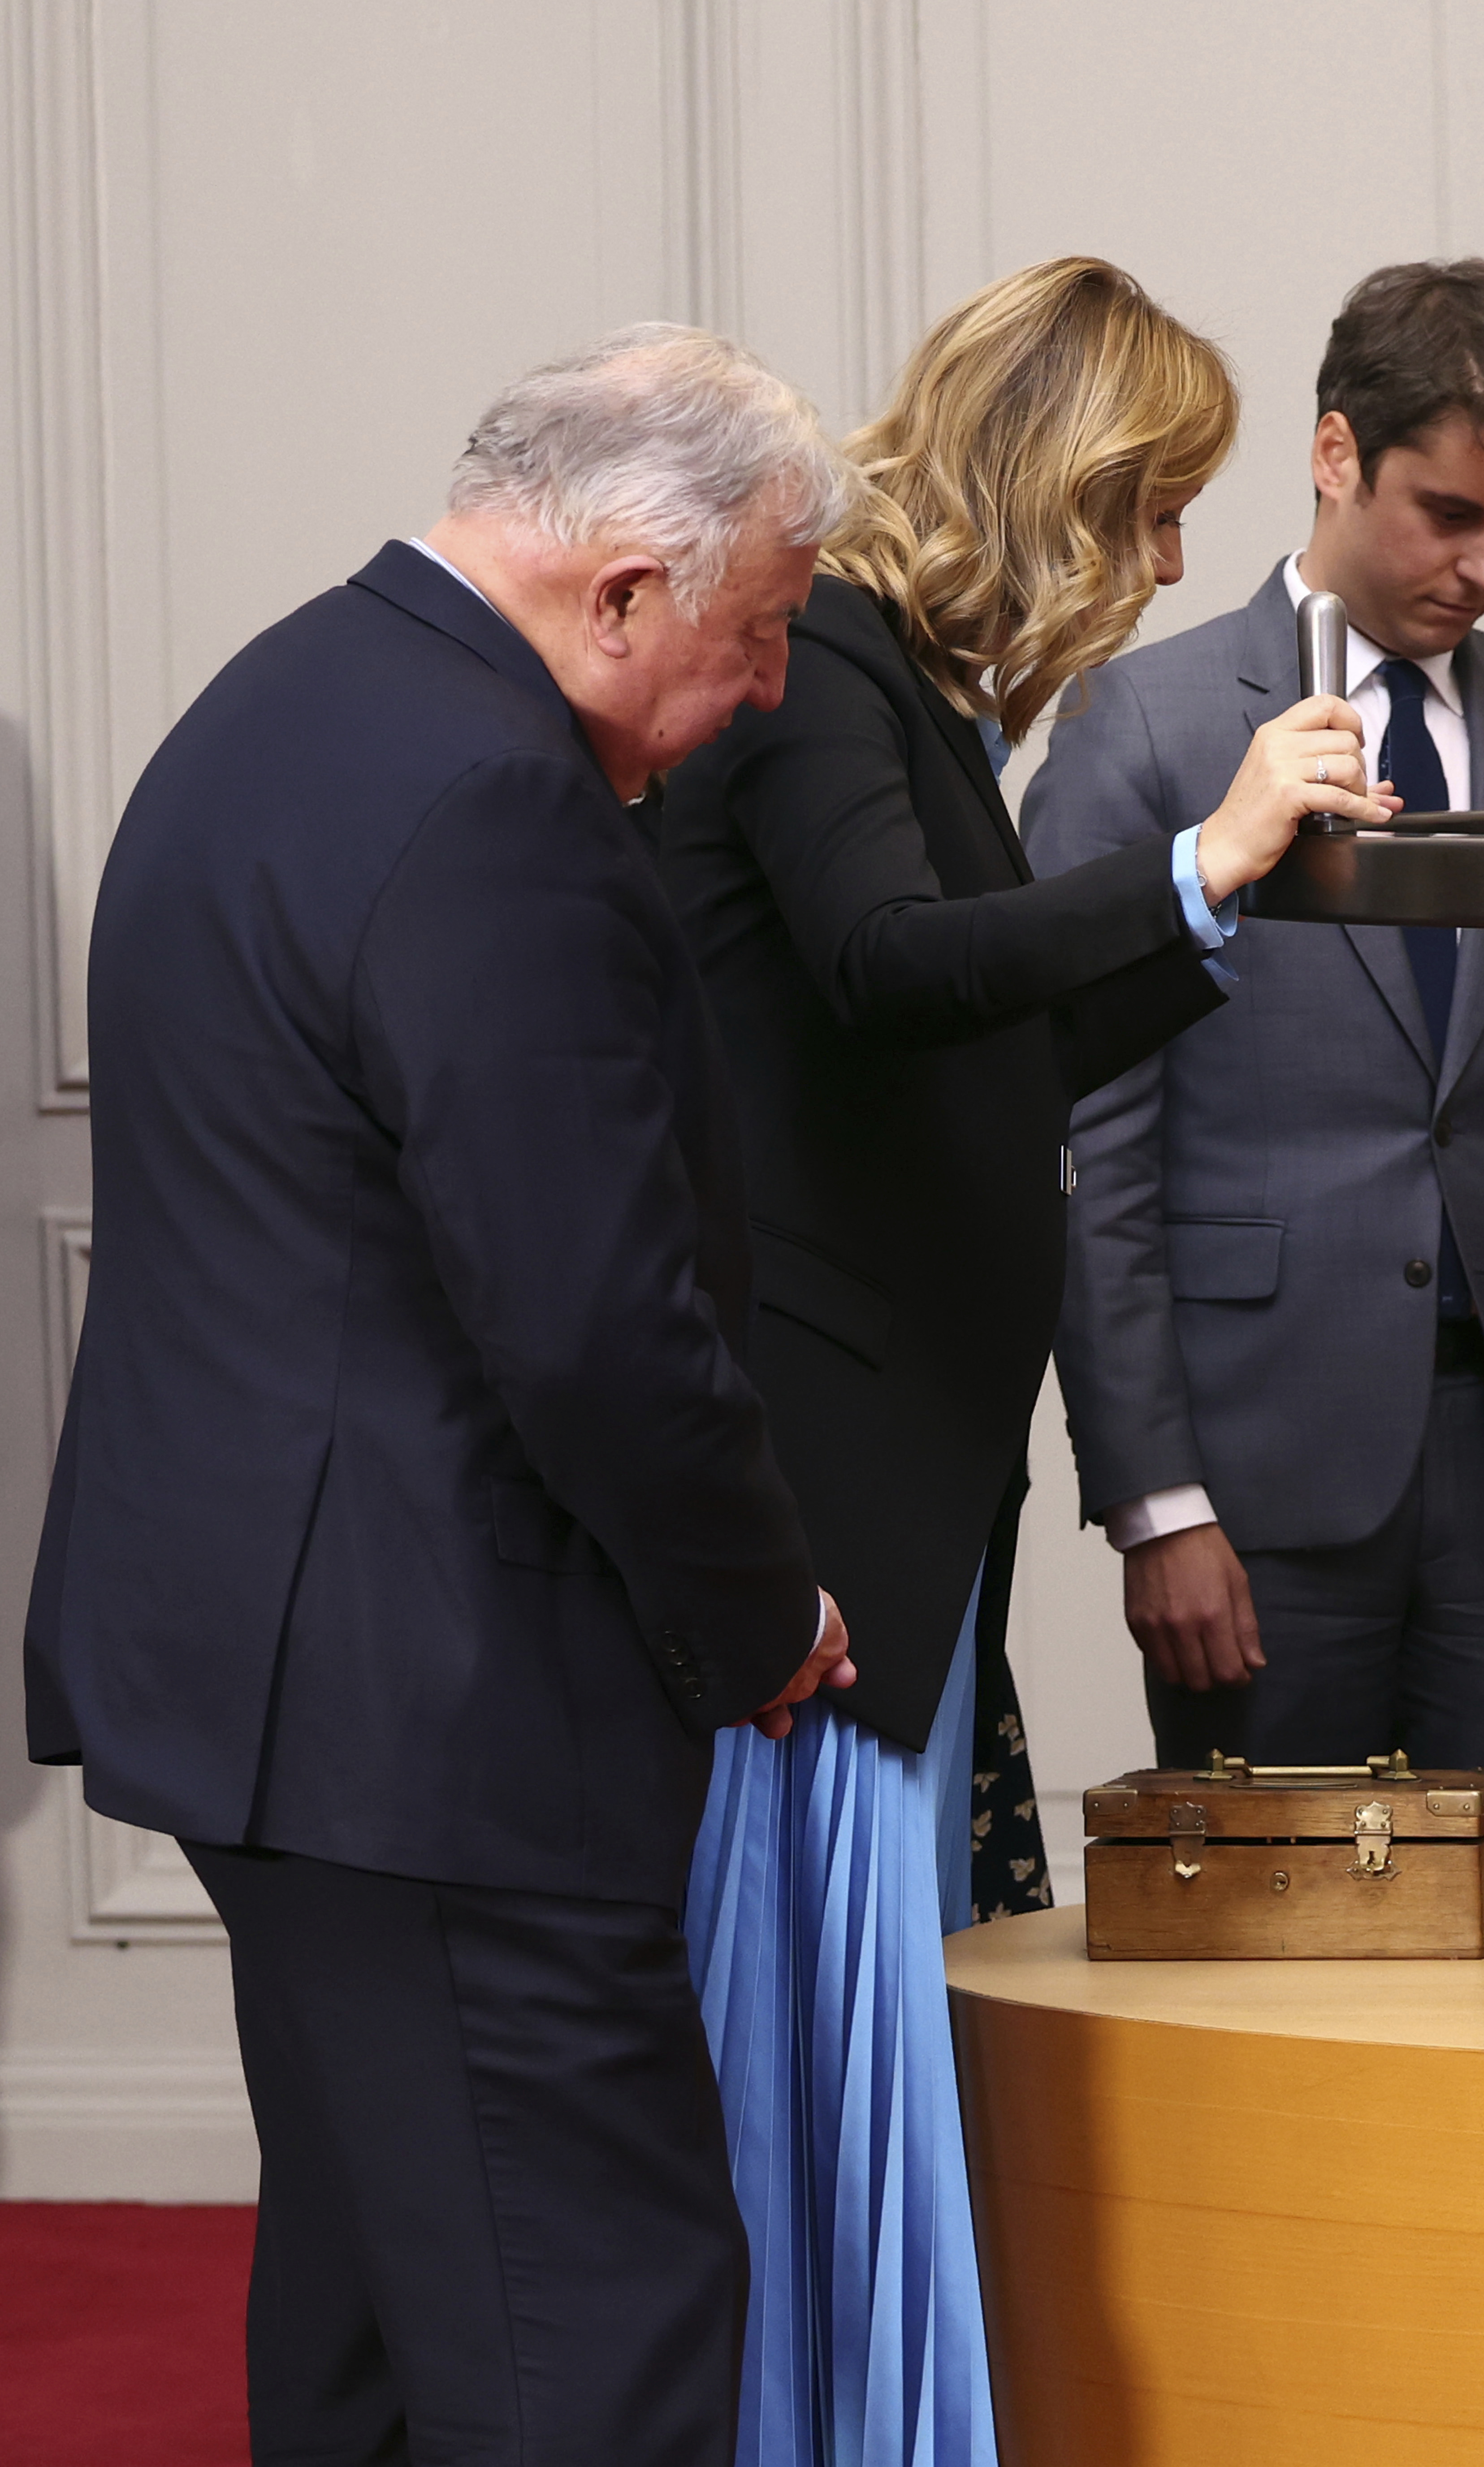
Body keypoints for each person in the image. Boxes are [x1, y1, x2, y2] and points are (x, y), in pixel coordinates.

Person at [25, 328, 857, 2467]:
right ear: (625, 592)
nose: (773, 687)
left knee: (382, 2334)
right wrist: (761, 1609)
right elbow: (590, 1322)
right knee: (601, 2353)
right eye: (764, 629)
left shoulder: (283, 695)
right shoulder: (500, 798)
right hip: (443, 1712)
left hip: (278, 1685)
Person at [651, 259, 1386, 2467]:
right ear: (1057, 483)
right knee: (807, 2040)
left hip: (903, 1477)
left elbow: (981, 1050)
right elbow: (895, 966)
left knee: (869, 2026)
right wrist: (1195, 859)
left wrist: (1228, 903)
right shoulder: (823, 661)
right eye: (1153, 508)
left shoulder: (903, 689)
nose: (1168, 562)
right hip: (829, 1489)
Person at [1031, 260, 1484, 1860]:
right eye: (1450, 514)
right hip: (1254, 1477)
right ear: (1335, 452)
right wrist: (1155, 1502)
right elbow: (1088, 1148)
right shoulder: (1142, 726)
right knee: (1269, 1949)